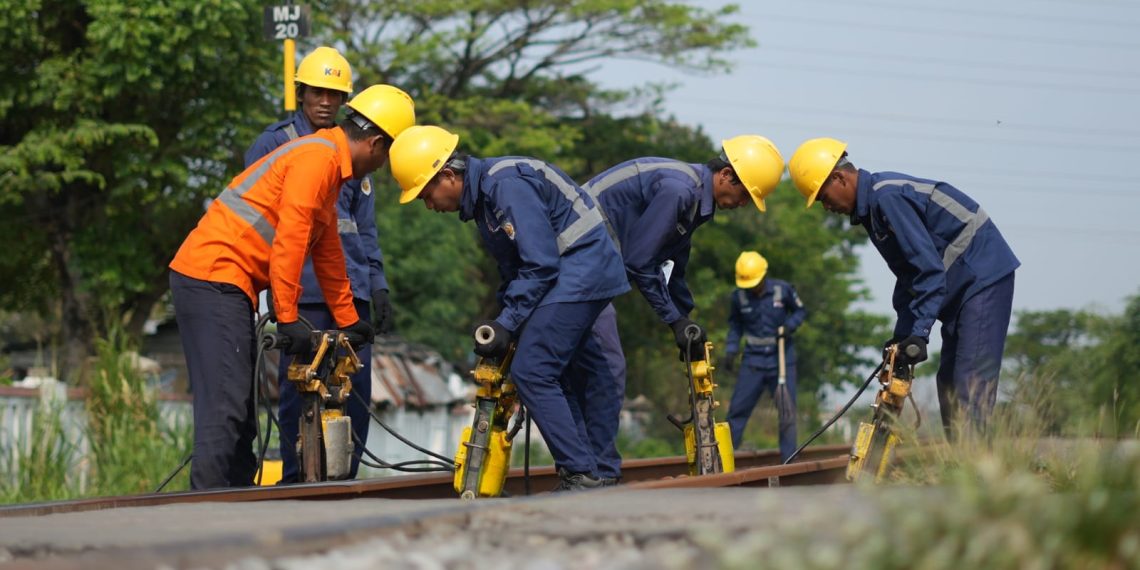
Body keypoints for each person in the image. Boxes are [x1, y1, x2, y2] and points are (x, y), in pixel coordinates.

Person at [168, 83, 413, 489]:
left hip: (225, 282)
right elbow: (290, 242)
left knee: (241, 412)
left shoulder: (329, 165)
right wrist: (287, 318)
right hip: (211, 276)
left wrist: (350, 320)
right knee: (226, 408)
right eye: (387, 154)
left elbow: (329, 252)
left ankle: (235, 505)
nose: (383, 166)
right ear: (374, 144)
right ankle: (204, 513)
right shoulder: (317, 159)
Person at [388, 125, 630, 491]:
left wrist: (508, 322)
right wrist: (503, 325)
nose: (430, 205)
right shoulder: (487, 200)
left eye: (426, 193)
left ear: (449, 176)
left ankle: (580, 474)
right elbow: (514, 272)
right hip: (572, 271)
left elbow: (540, 264)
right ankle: (595, 471)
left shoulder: (504, 185)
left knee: (533, 370)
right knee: (561, 374)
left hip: (581, 269)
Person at [569, 136, 786, 483]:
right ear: (727, 175)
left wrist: (686, 320)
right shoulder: (679, 191)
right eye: (746, 194)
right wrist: (673, 321)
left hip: (589, 264)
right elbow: (640, 262)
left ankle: (585, 471)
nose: (743, 203)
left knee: (589, 369)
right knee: (606, 367)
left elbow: (674, 266)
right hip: (576, 259)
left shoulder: (695, 196)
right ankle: (599, 476)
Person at [244, 47, 415, 483]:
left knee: (353, 392)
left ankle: (343, 480)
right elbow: (261, 221)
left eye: (334, 95)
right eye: (318, 92)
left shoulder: (356, 150)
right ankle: (299, 480)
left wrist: (377, 285)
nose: (325, 101)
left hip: (348, 291)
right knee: (297, 390)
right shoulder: (276, 142)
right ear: (301, 92)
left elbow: (364, 228)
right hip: (298, 293)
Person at [788, 137, 1019, 437]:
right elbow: (909, 278)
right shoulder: (873, 209)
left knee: (970, 383)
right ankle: (962, 469)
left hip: (982, 277)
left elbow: (929, 270)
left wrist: (919, 333)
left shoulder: (887, 198)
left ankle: (978, 475)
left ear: (839, 178)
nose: (826, 206)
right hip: (960, 285)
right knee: (948, 382)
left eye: (822, 196)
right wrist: (902, 337)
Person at [722, 251, 806, 461]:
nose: (751, 287)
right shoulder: (738, 297)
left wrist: (789, 326)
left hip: (781, 360)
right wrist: (731, 350)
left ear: (764, 275)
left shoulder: (782, 290)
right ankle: (724, 460)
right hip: (752, 362)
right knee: (737, 411)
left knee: (787, 414)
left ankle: (788, 462)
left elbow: (800, 311)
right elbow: (735, 326)